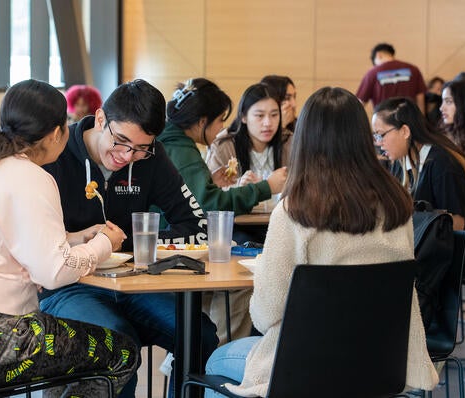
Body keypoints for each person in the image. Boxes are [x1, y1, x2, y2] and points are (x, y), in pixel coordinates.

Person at [204, 87, 439, 397]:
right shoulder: (397, 205)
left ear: (305, 139)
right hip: (382, 363)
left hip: (305, 365)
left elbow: (264, 315)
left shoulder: (294, 211)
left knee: (216, 359)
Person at [0, 79, 138, 397]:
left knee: (71, 348)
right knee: (122, 353)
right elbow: (54, 273)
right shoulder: (31, 177)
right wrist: (105, 241)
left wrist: (76, 239)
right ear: (55, 133)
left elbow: (9, 242)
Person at [40, 79, 218, 398]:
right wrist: (84, 241)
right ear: (99, 119)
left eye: (140, 147)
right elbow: (37, 242)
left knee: (200, 335)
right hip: (68, 286)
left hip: (132, 283)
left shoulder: (152, 158)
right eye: (120, 141)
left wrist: (135, 244)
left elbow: (195, 225)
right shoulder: (57, 151)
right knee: (119, 343)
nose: (126, 155)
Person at [158, 78, 285, 344]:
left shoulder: (172, 143)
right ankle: (221, 350)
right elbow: (211, 206)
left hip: (172, 241)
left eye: (274, 115)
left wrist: (208, 182)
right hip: (174, 247)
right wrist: (265, 187)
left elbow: (197, 195)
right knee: (241, 274)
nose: (219, 131)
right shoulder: (184, 150)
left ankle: (200, 350)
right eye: (218, 122)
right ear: (202, 122)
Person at [374, 96, 465, 278]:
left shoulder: (443, 164)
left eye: (381, 135)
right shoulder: (401, 160)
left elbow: (457, 225)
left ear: (405, 131)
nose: (378, 143)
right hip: (434, 245)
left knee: (391, 270)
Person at [206, 82, 289, 243]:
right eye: (259, 115)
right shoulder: (223, 145)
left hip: (280, 225)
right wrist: (240, 188)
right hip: (237, 227)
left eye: (274, 115)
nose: (268, 123)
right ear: (243, 116)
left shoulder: (289, 143)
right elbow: (211, 197)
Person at [356, 43, 428, 113]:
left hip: (383, 120)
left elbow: (360, 104)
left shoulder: (373, 73)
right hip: (409, 119)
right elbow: (420, 99)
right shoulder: (413, 70)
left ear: (378, 55)